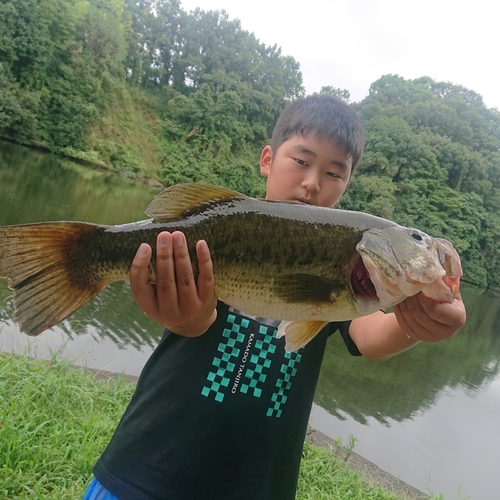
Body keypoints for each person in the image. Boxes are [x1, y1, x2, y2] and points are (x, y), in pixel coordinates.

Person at [83, 95, 466, 500]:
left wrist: (415, 326)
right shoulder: (231, 226)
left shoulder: (352, 282)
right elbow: (191, 322)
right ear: (267, 159)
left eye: (334, 173)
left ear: (347, 184)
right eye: (301, 161)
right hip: (146, 469)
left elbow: (370, 337)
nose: (312, 182)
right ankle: (84, 255)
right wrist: (188, 323)